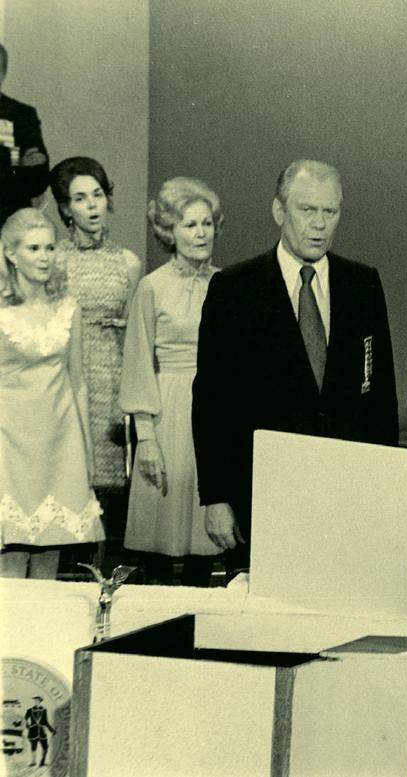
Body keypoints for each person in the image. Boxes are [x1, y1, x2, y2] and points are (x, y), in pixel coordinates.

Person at [193, 160, 398, 575]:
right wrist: (216, 496)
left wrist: (385, 489)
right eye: (308, 210)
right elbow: (212, 400)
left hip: (347, 492)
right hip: (263, 493)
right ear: (279, 211)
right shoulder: (234, 288)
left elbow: (380, 396)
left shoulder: (363, 284)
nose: (319, 224)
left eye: (330, 212)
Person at [120, 178, 223, 587]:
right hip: (168, 413)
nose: (200, 233)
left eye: (206, 223)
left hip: (215, 411)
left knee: (207, 535)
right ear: (169, 232)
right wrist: (146, 437)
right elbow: (139, 362)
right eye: (188, 225)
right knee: (161, 541)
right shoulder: (151, 287)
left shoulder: (227, 284)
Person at [0, 209, 103, 578]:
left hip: (58, 440)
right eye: (33, 248)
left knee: (49, 554)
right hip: (9, 442)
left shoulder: (67, 308)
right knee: (10, 559)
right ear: (11, 254)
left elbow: (78, 381)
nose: (44, 257)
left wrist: (87, 451)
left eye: (49, 248)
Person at [50, 157, 142, 560]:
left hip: (117, 370)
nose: (92, 205)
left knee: (115, 488)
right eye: (80, 198)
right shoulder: (55, 260)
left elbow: (137, 328)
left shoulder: (128, 261)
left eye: (98, 195)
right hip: (71, 373)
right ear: (66, 208)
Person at [0, 44, 49, 225]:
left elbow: (38, 180)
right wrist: (17, 167)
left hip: (11, 226)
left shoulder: (22, 115)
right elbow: (23, 176)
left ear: (3, 72)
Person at [24, 695, 55, 768]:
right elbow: (25, 719)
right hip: (33, 731)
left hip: (41, 732)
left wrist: (51, 730)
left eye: (37, 701)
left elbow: (45, 721)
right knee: (33, 747)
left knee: (45, 747)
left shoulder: (44, 710)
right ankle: (33, 761)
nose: (36, 702)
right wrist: (27, 726)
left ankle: (42, 762)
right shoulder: (30, 710)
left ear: (40, 701)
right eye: (35, 700)